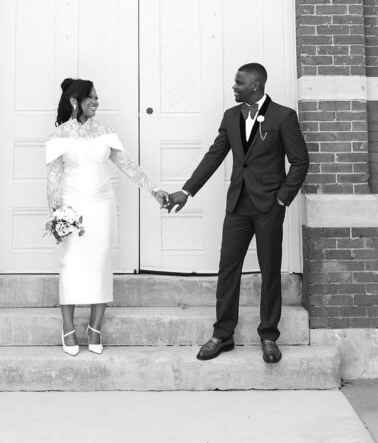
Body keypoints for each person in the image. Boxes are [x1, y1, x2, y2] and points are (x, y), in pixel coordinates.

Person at [166, 62, 309, 364]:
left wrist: (282, 199)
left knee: (270, 270)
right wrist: (187, 191)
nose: (234, 86)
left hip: (269, 206)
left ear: (255, 85)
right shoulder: (231, 116)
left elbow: (300, 162)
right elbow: (214, 155)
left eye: (239, 82)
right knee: (227, 269)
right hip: (237, 207)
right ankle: (223, 334)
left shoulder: (283, 117)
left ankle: (269, 335)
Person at [46, 78, 168, 356]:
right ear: (76, 101)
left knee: (101, 263)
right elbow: (53, 177)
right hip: (72, 208)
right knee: (71, 264)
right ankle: (67, 328)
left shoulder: (104, 131)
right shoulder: (59, 135)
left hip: (102, 205)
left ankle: (94, 328)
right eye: (92, 97)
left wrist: (154, 190)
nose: (97, 102)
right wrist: (57, 214)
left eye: (97, 98)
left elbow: (128, 165)